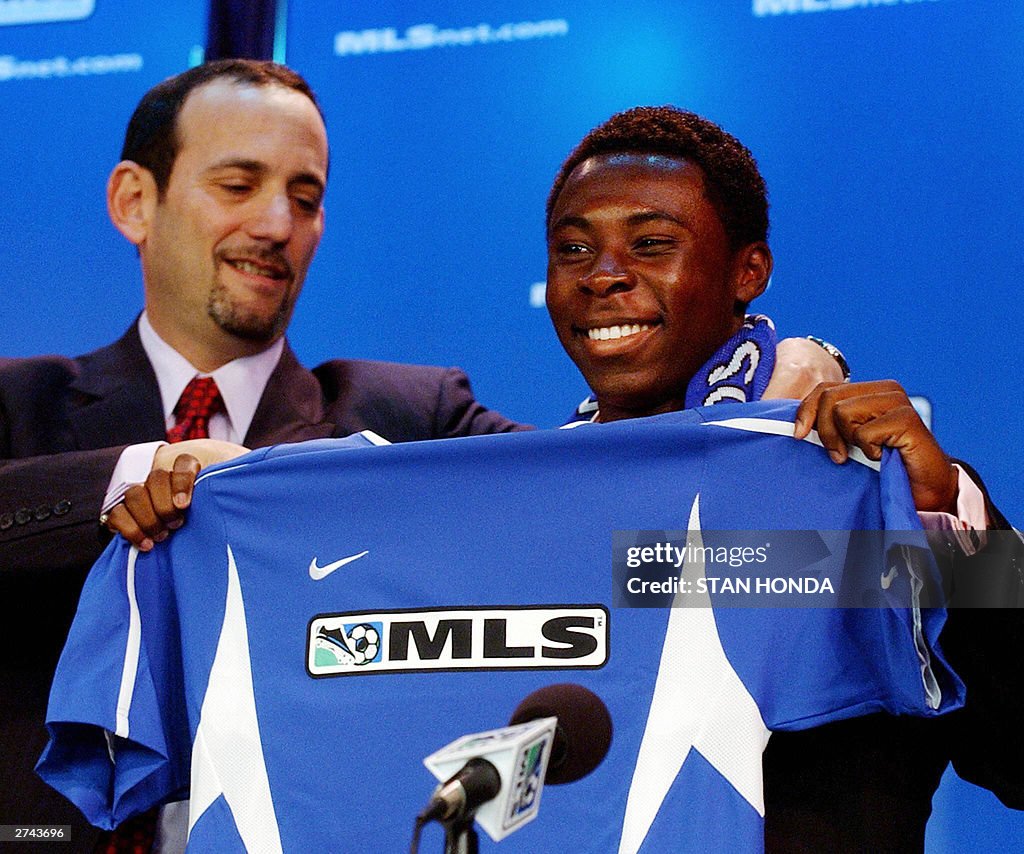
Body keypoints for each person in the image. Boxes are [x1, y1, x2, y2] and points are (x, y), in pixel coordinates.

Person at [0, 62, 840, 849]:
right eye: (238, 184)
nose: (274, 223)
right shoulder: (18, 402)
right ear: (132, 200)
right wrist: (139, 474)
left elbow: (613, 503)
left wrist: (782, 365)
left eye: (306, 196)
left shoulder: (412, 414)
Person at [541, 105, 1023, 851]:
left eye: (650, 243)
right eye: (574, 248)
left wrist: (955, 532)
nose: (604, 275)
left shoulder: (867, 491)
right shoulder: (538, 507)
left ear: (748, 270)